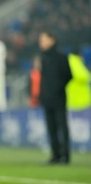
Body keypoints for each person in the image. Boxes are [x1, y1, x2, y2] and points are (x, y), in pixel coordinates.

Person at [38, 30, 72, 165]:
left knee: (62, 127)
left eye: (43, 39)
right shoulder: (43, 57)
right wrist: (42, 94)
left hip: (59, 98)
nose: (41, 42)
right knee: (51, 127)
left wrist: (57, 89)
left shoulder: (61, 56)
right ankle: (55, 155)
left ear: (52, 40)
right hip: (47, 98)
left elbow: (69, 75)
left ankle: (65, 156)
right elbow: (43, 79)